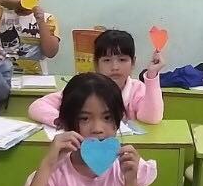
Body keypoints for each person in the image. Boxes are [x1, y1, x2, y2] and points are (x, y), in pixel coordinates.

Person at [13, 73, 157, 186]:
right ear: (67, 122)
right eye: (85, 119)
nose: (97, 128)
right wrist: (46, 165)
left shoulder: (128, 166)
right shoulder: (56, 171)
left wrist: (131, 181)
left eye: (107, 117)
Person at [28, 29, 164, 126]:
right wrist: (65, 122)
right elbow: (37, 107)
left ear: (133, 63)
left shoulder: (137, 89)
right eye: (107, 60)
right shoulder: (85, 88)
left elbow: (152, 118)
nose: (115, 67)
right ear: (96, 64)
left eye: (122, 60)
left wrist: (152, 75)